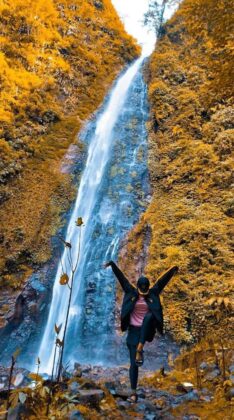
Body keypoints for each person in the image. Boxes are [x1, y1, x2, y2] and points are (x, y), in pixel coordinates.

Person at [103, 260, 179, 403]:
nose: (143, 294)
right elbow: (121, 278)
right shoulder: (131, 291)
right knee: (133, 364)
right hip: (133, 331)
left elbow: (163, 281)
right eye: (141, 291)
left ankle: (141, 346)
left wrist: (173, 269)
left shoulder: (153, 292)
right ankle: (133, 391)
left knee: (149, 316)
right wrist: (112, 264)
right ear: (137, 288)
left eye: (146, 292)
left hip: (147, 329)